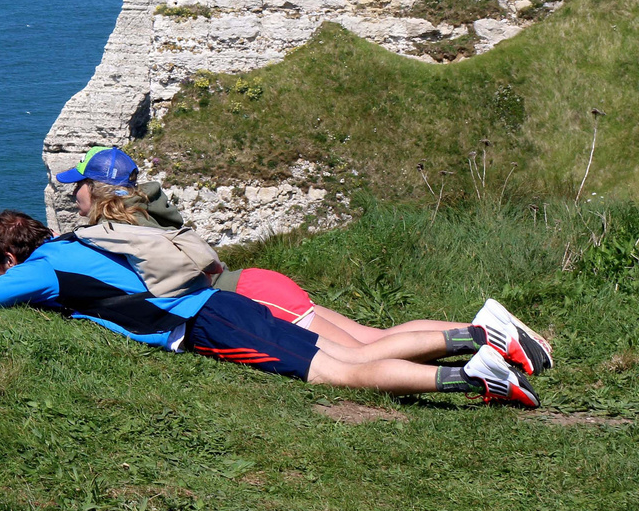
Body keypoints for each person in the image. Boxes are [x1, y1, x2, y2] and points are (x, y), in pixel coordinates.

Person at [0, 208, 546, 406]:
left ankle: (475, 381)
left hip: (199, 325)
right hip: (223, 300)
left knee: (342, 374)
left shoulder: (37, 273)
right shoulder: (78, 241)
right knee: (353, 348)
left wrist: (8, 288)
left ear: (7, 258)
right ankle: (479, 339)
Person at [51, 147, 552, 369]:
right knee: (372, 338)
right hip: (255, 283)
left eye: (78, 187)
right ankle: (501, 333)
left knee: (365, 350)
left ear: (95, 190)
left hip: (248, 294)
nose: (73, 196)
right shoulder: (146, 209)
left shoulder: (119, 228)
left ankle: (495, 339)